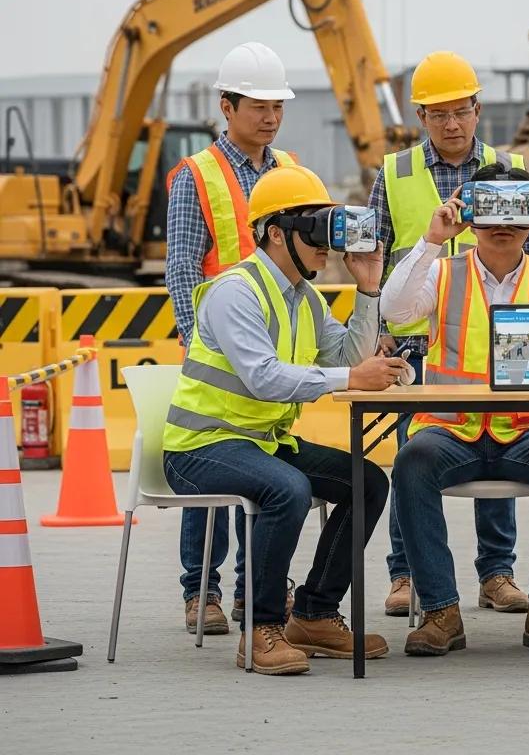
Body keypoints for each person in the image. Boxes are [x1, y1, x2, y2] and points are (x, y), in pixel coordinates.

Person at [163, 164, 412, 675]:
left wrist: (368, 291)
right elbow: (265, 378)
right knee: (289, 489)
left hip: (260, 443)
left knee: (367, 482)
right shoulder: (236, 291)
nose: (327, 243)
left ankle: (316, 614)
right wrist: (351, 379)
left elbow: (346, 353)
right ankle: (262, 629)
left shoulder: (304, 296)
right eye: (315, 228)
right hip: (200, 447)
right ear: (277, 233)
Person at [381, 165, 529, 657]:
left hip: (526, 434)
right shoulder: (441, 272)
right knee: (410, 463)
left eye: (515, 209)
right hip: (450, 431)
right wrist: (432, 240)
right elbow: (394, 312)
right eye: (491, 207)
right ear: (471, 212)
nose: (503, 222)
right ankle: (440, 611)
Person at [368, 51, 529, 618]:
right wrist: (377, 331)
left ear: (477, 109)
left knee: (499, 440)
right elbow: (375, 261)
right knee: (412, 456)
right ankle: (405, 575)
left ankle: (497, 573)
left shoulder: (508, 164)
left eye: (460, 112)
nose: (451, 124)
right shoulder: (393, 174)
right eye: (438, 114)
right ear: (421, 115)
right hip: (414, 339)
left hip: (498, 337)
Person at [165, 41, 300, 636]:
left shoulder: (289, 170)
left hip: (272, 352)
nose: (269, 117)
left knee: (265, 466)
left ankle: (255, 588)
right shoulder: (196, 175)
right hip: (221, 354)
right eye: (257, 105)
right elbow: (183, 267)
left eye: (276, 106)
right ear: (227, 105)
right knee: (216, 467)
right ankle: (201, 590)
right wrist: (204, 345)